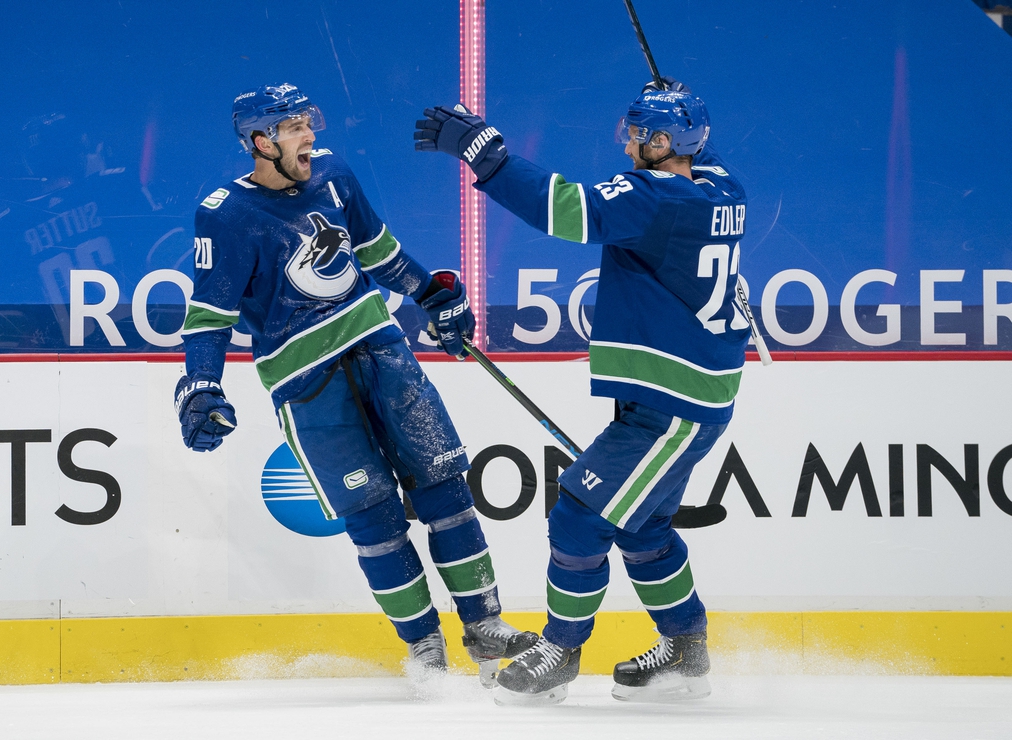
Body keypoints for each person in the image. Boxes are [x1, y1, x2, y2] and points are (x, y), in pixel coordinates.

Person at [176, 83, 537, 683]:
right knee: (373, 516)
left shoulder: (333, 175)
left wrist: (428, 293)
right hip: (306, 380)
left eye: (307, 123)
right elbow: (210, 313)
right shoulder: (227, 214)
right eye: (294, 129)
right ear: (260, 142)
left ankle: (485, 626)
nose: (309, 136)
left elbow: (377, 250)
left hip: (381, 349)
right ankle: (425, 646)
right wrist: (201, 385)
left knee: (445, 488)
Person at [414, 78, 751, 704]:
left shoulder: (657, 199)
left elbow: (568, 209)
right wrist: (678, 110)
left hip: (671, 406)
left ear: (660, 141)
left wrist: (486, 154)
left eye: (638, 134)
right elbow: (692, 156)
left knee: (579, 515)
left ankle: (561, 650)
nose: (627, 144)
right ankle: (685, 650)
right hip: (690, 395)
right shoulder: (722, 187)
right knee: (644, 528)